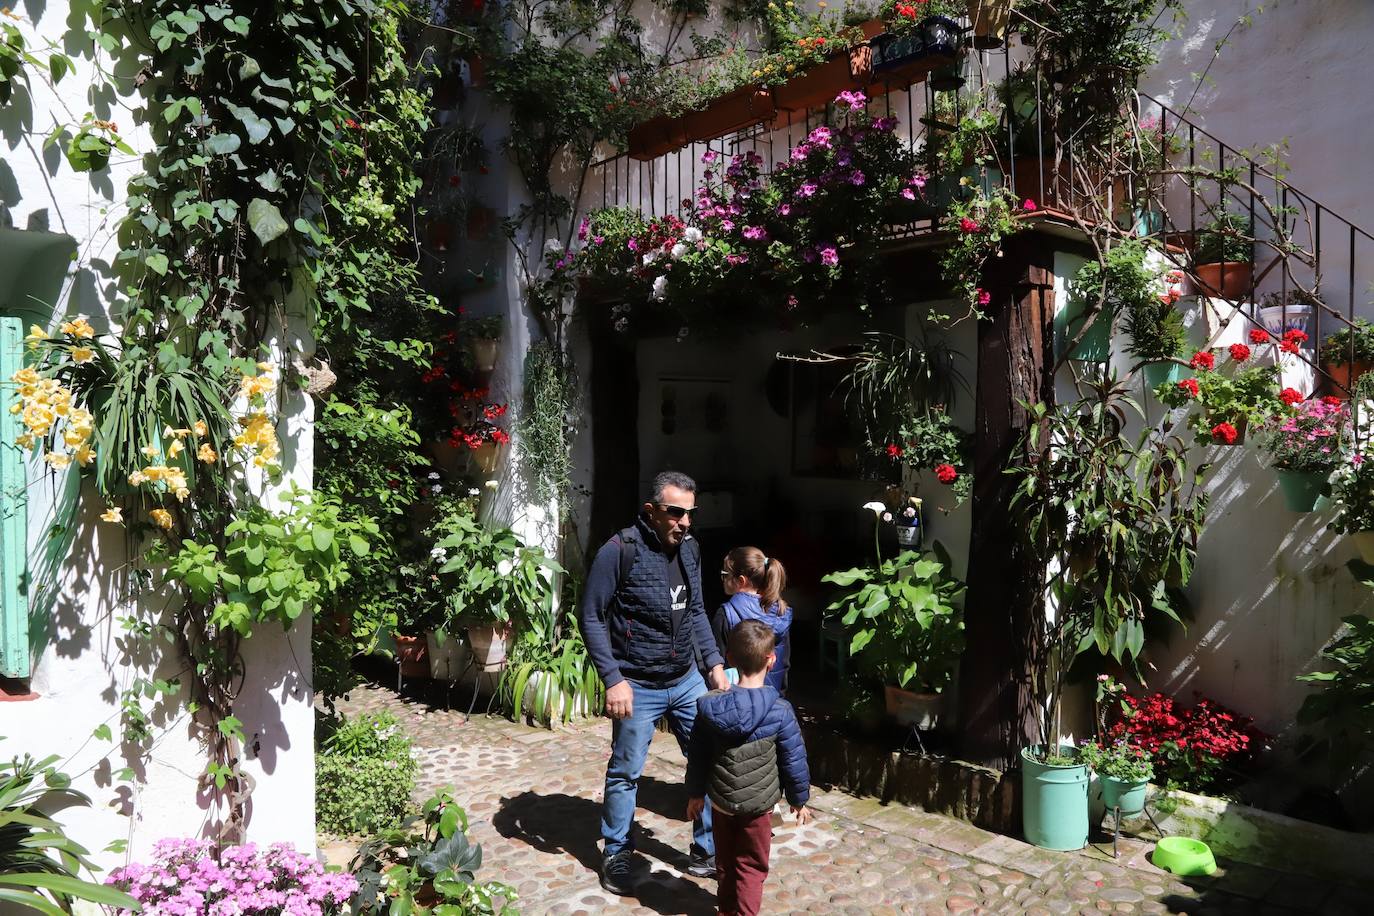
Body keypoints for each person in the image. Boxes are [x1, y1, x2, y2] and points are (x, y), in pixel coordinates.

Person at [579, 470, 731, 896]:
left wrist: (714, 663)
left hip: (686, 680)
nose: (684, 522)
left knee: (710, 759)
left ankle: (706, 852)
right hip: (637, 684)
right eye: (675, 512)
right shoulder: (619, 550)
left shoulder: (691, 549)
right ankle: (617, 851)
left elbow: (698, 611)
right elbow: (591, 616)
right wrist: (613, 679)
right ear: (652, 510)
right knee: (626, 772)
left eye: (690, 513)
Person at [686, 620, 812, 916]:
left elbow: (698, 756)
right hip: (758, 809)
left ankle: (726, 911)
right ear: (772, 660)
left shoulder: (709, 708)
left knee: (726, 863)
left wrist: (694, 794)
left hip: (721, 805)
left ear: (729, 658)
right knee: (751, 868)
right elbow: (794, 760)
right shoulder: (779, 711)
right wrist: (798, 800)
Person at [713, 547, 793, 692]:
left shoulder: (726, 614)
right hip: (772, 697)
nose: (722, 578)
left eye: (725, 574)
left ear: (741, 581)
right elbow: (784, 663)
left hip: (737, 702)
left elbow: (717, 664)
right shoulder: (781, 611)